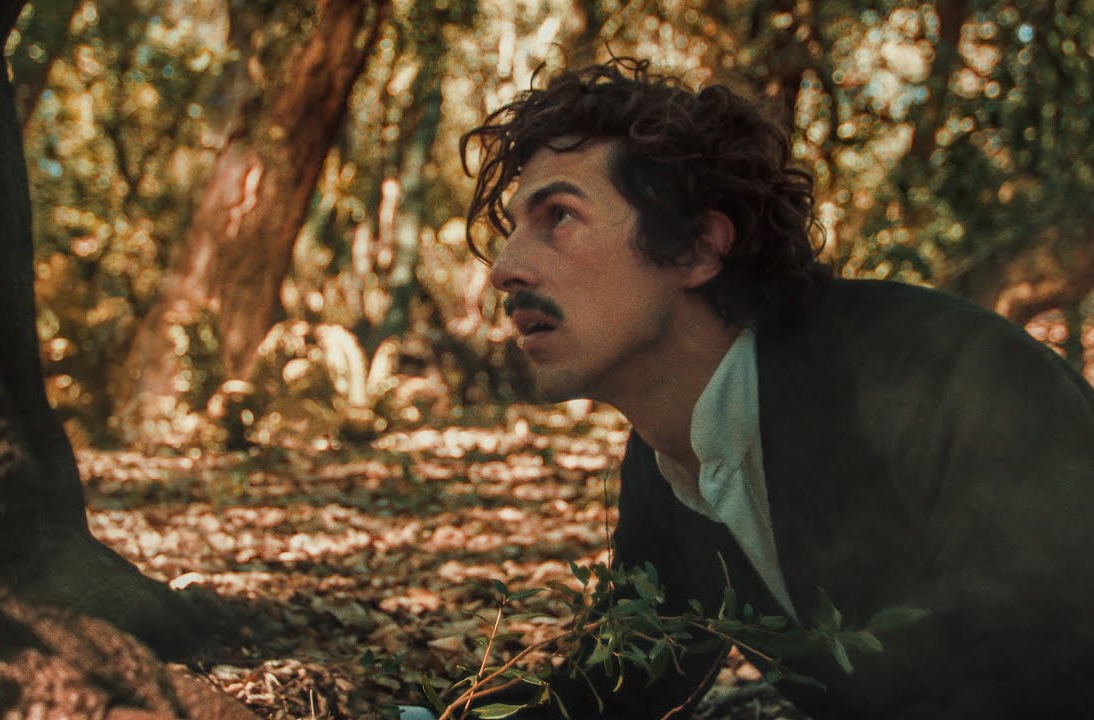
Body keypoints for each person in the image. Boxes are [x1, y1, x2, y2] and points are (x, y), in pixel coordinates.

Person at [458, 58, 1094, 719]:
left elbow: (1054, 668)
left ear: (697, 248)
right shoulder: (666, 455)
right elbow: (622, 687)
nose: (505, 269)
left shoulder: (947, 377)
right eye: (513, 230)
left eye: (559, 216)